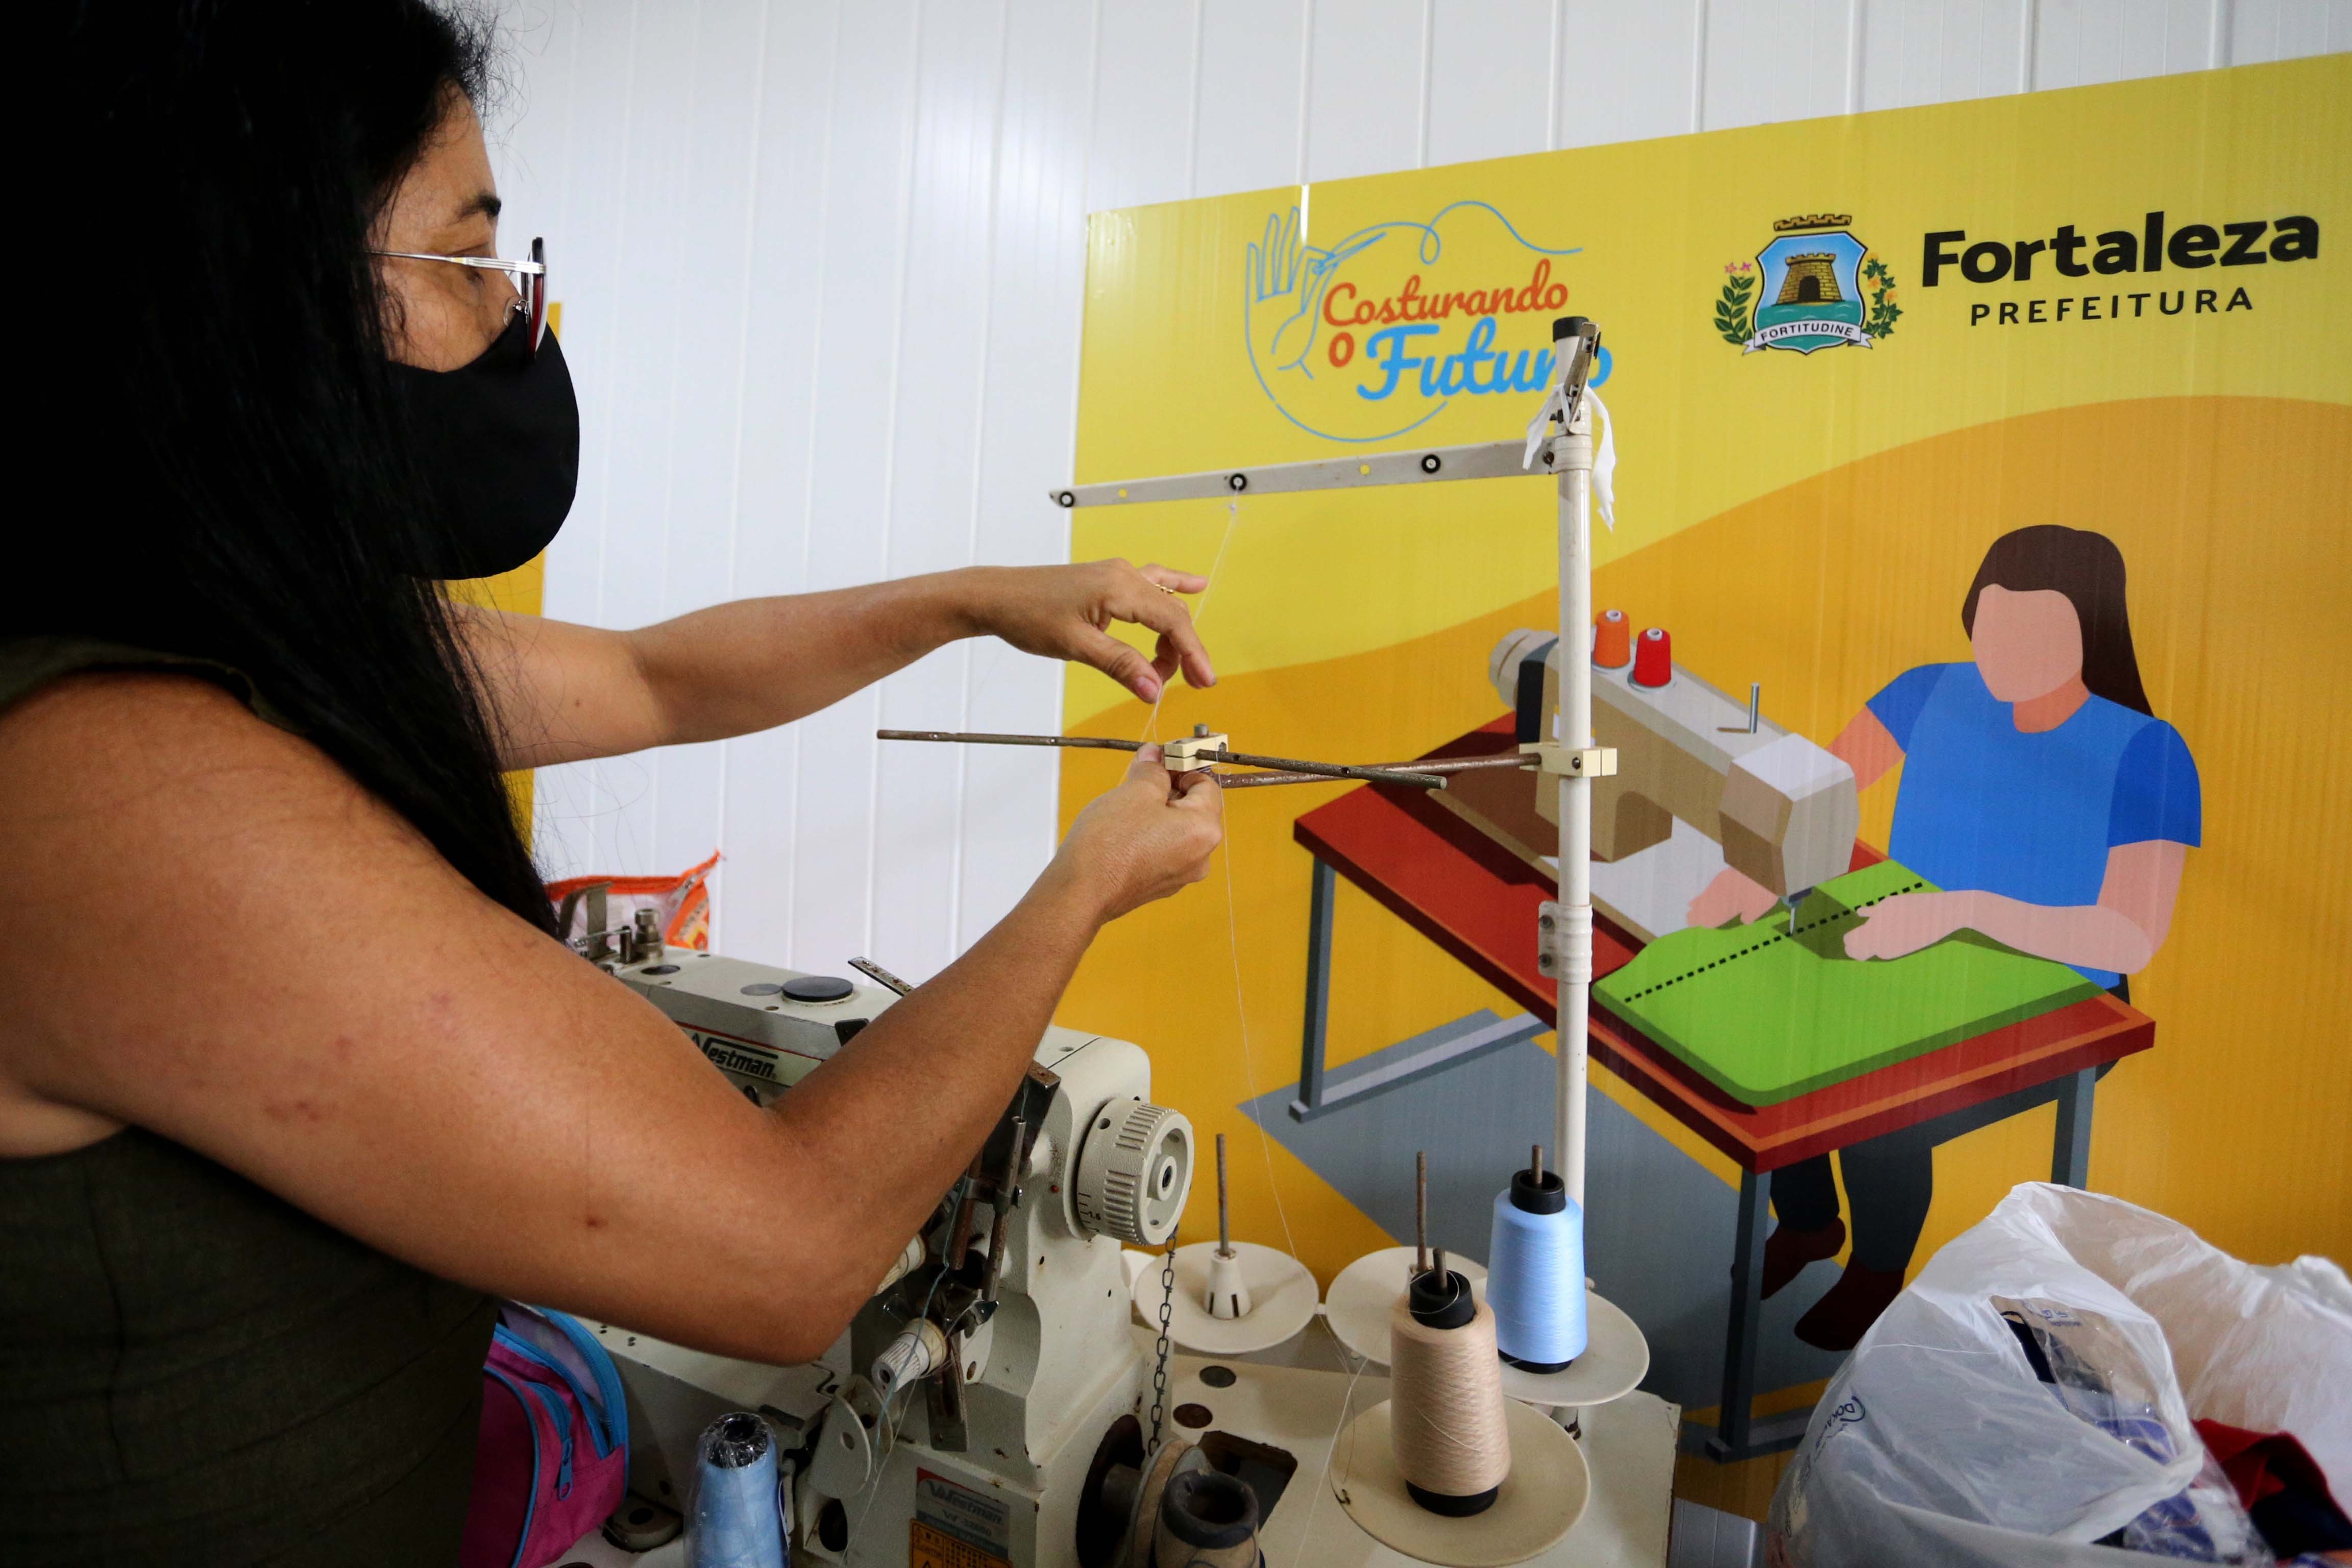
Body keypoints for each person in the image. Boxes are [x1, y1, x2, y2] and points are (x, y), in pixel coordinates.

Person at [2, 7, 1222, 1563]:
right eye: (465, 265)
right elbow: (790, 1244)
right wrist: (1088, 881)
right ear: (260, 310)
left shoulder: (246, 648)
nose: (514, 326)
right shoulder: (118, 790)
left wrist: (983, 598)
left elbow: (663, 677)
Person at [1687, 525, 2200, 1350]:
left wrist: (1962, 909)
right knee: (1767, 1035)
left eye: (2035, 632)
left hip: (2062, 992)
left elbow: (2129, 938)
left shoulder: (2149, 754)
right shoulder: (1927, 692)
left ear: (2091, 635)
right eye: (1991, 624)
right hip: (1909, 945)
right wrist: (1756, 870)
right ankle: (1813, 1221)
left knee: (1883, 1108)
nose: (2004, 650)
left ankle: (1877, 1274)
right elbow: (1821, 790)